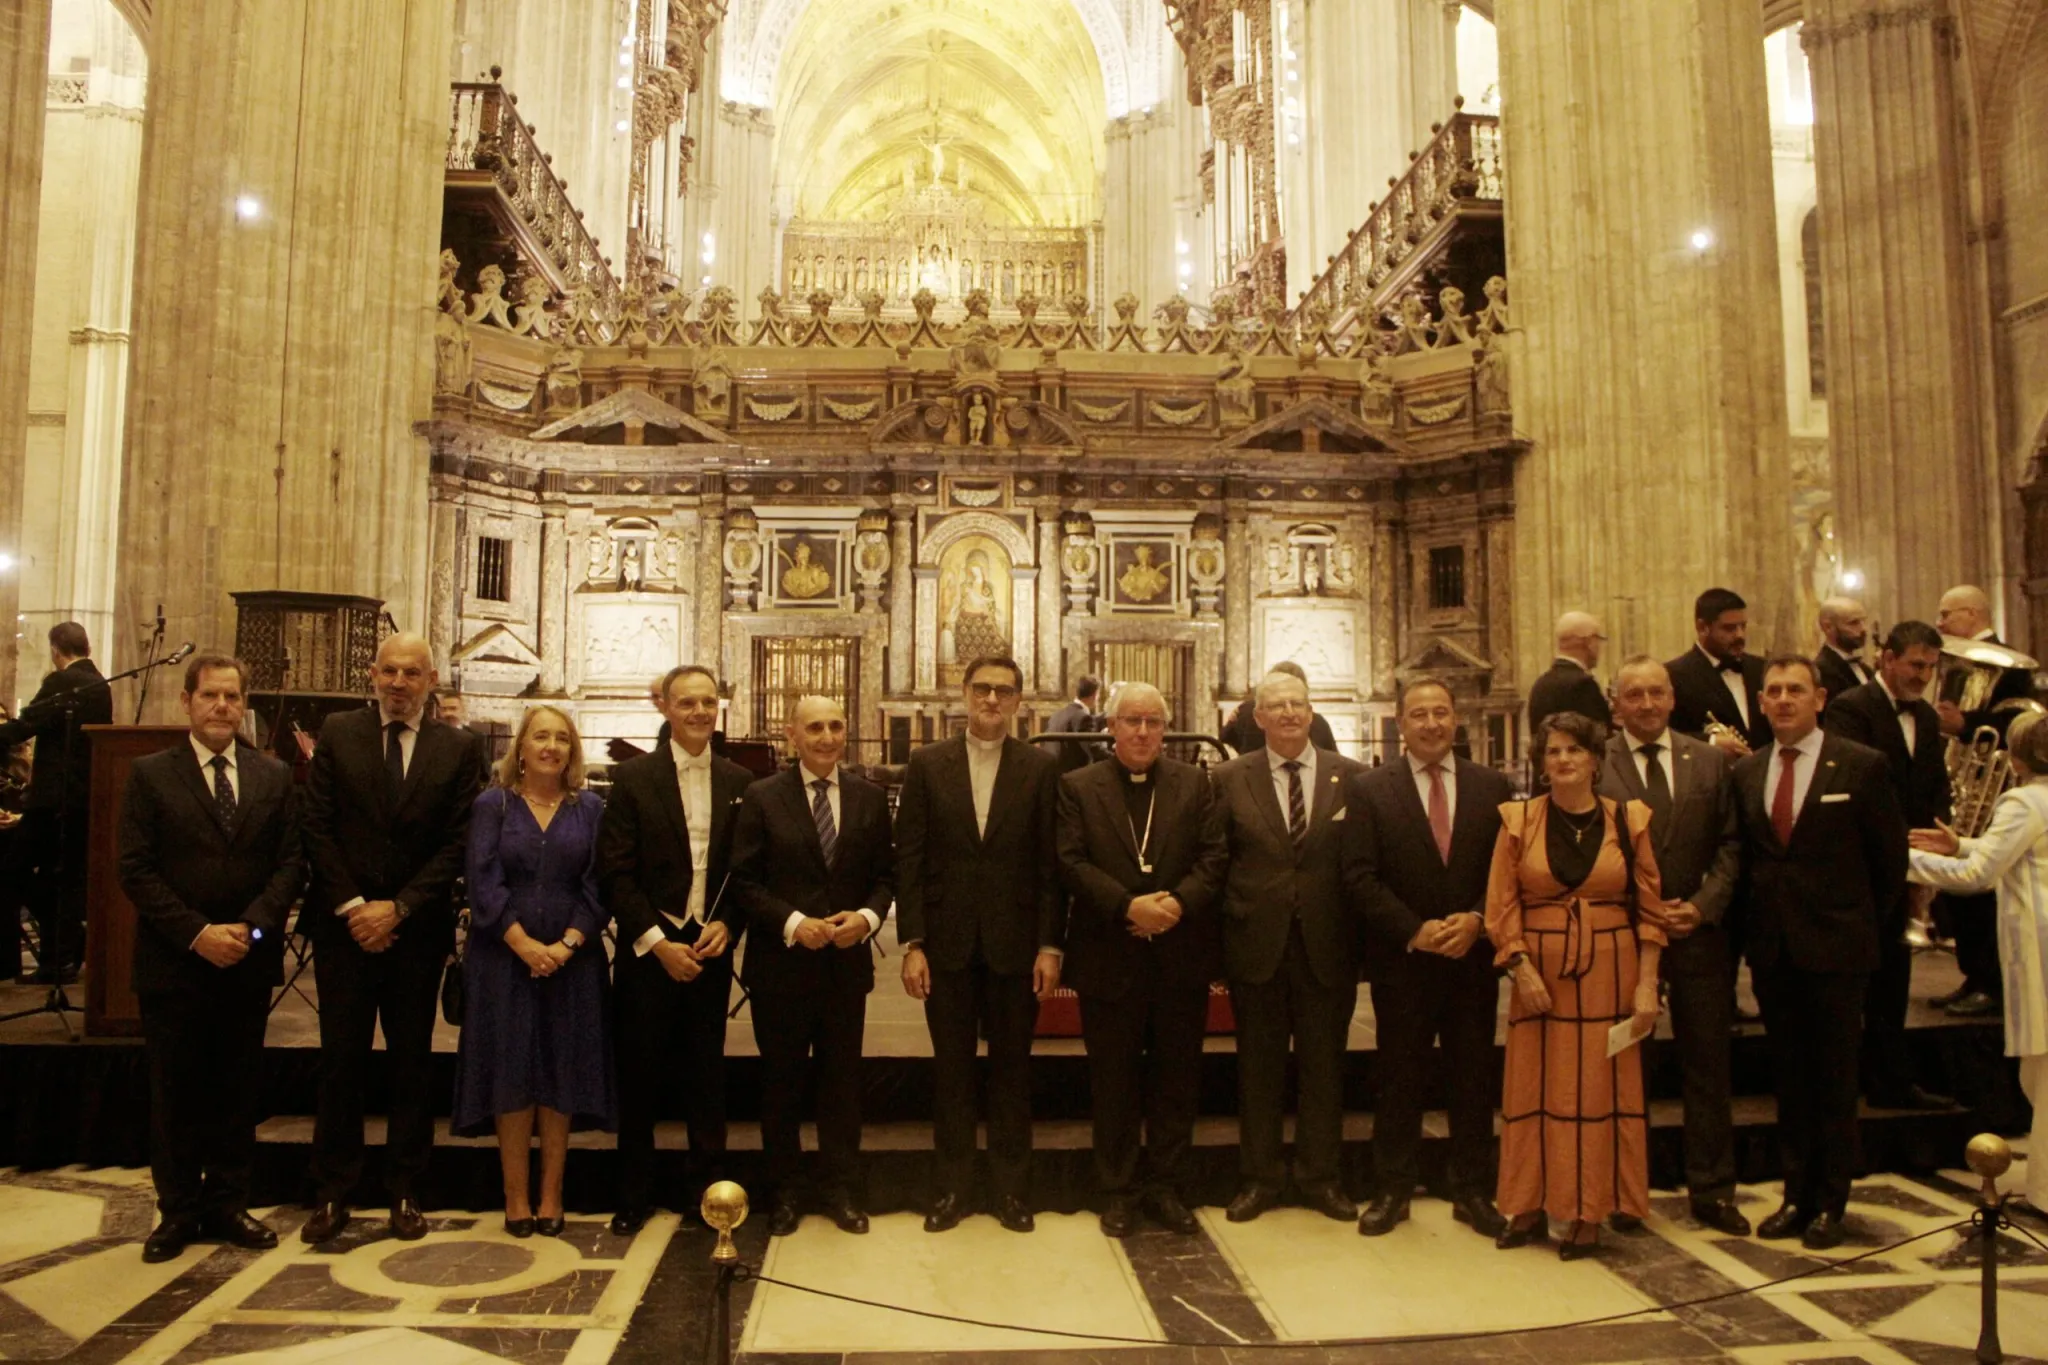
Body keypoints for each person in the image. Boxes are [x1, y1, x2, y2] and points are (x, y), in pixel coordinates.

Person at [301, 633, 487, 1245]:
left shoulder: (458, 748)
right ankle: (333, 1193)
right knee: (340, 1063)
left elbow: (457, 842)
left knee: (412, 1063)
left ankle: (406, 1188)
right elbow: (318, 828)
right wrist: (357, 907)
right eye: (389, 671)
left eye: (412, 673)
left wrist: (400, 908)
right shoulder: (338, 733)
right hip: (344, 928)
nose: (399, 683)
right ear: (372, 676)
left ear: (431, 681)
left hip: (415, 931)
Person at [116, 655, 304, 1262]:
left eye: (232, 696)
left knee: (235, 1088)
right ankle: (177, 1212)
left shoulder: (272, 775)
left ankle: (228, 1202)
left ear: (244, 704)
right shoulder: (150, 774)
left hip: (245, 962)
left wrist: (248, 930)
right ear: (187, 702)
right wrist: (198, 933)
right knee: (174, 1093)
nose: (222, 706)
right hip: (176, 961)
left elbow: (290, 865)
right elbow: (136, 869)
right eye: (210, 696)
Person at [1731, 655, 1905, 1250]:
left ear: (1820, 698)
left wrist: (1852, 930)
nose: (1783, 700)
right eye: (1773, 691)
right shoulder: (1748, 772)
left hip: (1838, 952)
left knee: (1835, 1082)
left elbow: (1889, 867)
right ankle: (1795, 1195)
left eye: (1795, 691)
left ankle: (1832, 1202)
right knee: (1790, 1082)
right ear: (1761, 702)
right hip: (1776, 954)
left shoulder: (1860, 765)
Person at [894, 656, 1065, 1233]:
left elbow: (1050, 867)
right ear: (965, 694)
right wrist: (912, 942)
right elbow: (909, 858)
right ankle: (952, 1190)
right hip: (946, 943)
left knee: (1013, 1072)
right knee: (953, 1074)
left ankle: (1011, 1192)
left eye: (1005, 691)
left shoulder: (1041, 769)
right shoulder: (927, 763)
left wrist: (1050, 945)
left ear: (1019, 701)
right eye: (983, 689)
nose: (993, 699)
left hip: (1016, 944)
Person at [1489, 711, 1665, 1260]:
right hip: (1539, 977)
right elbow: (1501, 905)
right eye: (1553, 751)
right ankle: (1527, 1205)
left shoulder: (1628, 820)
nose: (1563, 760)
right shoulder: (1519, 820)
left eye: (1574, 750)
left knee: (1597, 1096)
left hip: (1611, 974)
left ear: (1596, 759)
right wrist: (1520, 968)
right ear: (1541, 764)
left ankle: (1589, 1213)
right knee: (1534, 1092)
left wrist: (1647, 987)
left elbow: (1652, 911)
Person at [1343, 676, 1512, 1239]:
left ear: (1456, 718)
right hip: (1405, 963)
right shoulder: (1369, 790)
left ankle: (1473, 1189)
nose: (1432, 723)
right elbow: (1359, 877)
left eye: (1442, 712)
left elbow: (1508, 873)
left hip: (1471, 959)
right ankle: (1392, 1187)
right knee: (1399, 1078)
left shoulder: (1495, 787)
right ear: (1400, 722)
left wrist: (1478, 920)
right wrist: (1413, 931)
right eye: (1420, 714)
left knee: (1472, 1078)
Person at [1058, 681, 1227, 1237]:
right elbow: (1071, 863)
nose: (1142, 732)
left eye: (1153, 721)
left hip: (1180, 956)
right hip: (1110, 955)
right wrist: (1127, 905)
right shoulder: (1078, 787)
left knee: (1177, 1080)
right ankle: (1118, 1190)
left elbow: (1213, 857)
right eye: (1131, 721)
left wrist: (1176, 904)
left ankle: (1168, 1186)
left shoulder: (1194, 783)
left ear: (1165, 728)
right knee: (1113, 1081)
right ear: (1110, 728)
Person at [731, 694, 895, 1237]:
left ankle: (840, 1188)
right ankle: (785, 1192)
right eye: (815, 728)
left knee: (841, 1085)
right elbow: (745, 882)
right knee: (781, 1084)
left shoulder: (870, 798)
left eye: (836, 725)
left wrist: (868, 919)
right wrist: (793, 921)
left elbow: (885, 878)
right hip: (781, 964)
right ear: (791, 736)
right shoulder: (761, 797)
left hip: (845, 966)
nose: (827, 736)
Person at [601, 666, 755, 1237]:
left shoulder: (740, 779)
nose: (698, 712)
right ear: (664, 706)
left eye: (708, 702)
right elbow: (615, 874)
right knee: (638, 1076)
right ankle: (634, 1194)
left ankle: (705, 1193)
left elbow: (746, 871)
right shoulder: (633, 778)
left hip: (709, 948)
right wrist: (656, 942)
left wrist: (729, 926)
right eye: (687, 702)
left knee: (705, 1076)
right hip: (650, 953)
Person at [1206, 671, 1364, 1223]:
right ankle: (1260, 1178)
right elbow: (1216, 864)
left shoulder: (1353, 778)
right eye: (1278, 706)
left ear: (1312, 711)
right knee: (1259, 1070)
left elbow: (1360, 870)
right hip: (1257, 945)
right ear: (1259, 717)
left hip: (1328, 947)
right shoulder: (1227, 779)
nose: (1290, 713)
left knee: (1325, 1070)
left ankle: (1322, 1178)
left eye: (1298, 704)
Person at [1597, 657, 1748, 1233]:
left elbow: (1731, 845)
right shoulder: (1595, 765)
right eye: (1633, 695)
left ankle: (1712, 1190)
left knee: (1707, 1066)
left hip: (1697, 936)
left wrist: (1703, 906)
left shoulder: (1709, 760)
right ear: (1617, 704)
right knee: (1622, 1066)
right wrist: (1640, 911)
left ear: (1672, 697)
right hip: (1622, 938)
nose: (1646, 704)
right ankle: (1623, 1190)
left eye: (1656, 693)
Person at [452, 706, 614, 1238]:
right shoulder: (492, 805)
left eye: (561, 738)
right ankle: (516, 1196)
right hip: (503, 959)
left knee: (561, 1072)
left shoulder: (590, 808)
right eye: (540, 736)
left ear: (572, 750)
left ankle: (552, 1194)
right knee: (512, 1071)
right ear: (520, 747)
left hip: (573, 962)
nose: (551, 746)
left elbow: (599, 884)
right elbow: (483, 880)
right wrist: (523, 944)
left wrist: (567, 945)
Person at [1907, 710, 2048, 1215]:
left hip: (2040, 949)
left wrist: (1900, 859)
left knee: (2044, 1075)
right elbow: (2024, 854)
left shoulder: (2024, 799)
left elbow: (1979, 875)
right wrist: (1961, 842)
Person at [1824, 621, 1955, 1107]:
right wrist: (1898, 844)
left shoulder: (1924, 715)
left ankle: (1890, 1082)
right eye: (1916, 664)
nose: (1923, 675)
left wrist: (1936, 842)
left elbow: (1934, 783)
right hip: (1858, 865)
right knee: (1855, 980)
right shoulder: (1849, 709)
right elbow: (1856, 786)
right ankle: (1846, 1084)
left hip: (1907, 861)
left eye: (1930, 667)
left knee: (1894, 975)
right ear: (1888, 660)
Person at [1931, 584, 2037, 1017]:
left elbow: (2024, 720)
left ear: (1972, 614)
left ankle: (1990, 981)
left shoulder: (2011, 664)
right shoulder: (1956, 661)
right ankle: (1972, 974)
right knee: (1959, 887)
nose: (1939, 624)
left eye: (1946, 614)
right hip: (1963, 786)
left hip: (1993, 792)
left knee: (1980, 891)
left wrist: (1967, 723)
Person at [0, 622, 113, 981]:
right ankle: (56, 958)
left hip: (52, 800)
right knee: (58, 879)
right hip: (83, 799)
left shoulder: (60, 681)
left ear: (55, 649)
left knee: (12, 873)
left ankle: (63, 945)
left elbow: (24, 726)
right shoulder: (100, 685)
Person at [1667, 588, 1771, 756]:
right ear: (1702, 627)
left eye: (1743, 626)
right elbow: (1665, 735)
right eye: (1729, 628)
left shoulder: (1762, 669)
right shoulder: (1674, 675)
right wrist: (1711, 741)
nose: (1740, 635)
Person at [1222, 660, 1338, 755]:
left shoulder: (1245, 709)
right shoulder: (1317, 722)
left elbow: (1225, 737)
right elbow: (1332, 759)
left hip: (1249, 775)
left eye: (1296, 704)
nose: (1289, 713)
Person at [1526, 611, 1611, 735]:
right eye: (1599, 640)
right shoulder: (1583, 685)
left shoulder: (1541, 684)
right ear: (1590, 642)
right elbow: (1600, 740)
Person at [1815, 596, 1874, 702]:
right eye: (1853, 623)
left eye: (1863, 621)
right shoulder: (1822, 671)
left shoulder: (1865, 669)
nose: (1863, 629)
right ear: (1828, 627)